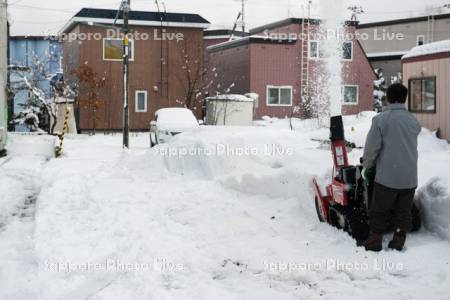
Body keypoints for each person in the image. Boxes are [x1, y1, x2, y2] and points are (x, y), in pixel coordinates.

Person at [362, 83, 421, 252]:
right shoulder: (413, 121)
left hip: (387, 176)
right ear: (405, 98)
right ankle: (398, 240)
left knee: (379, 209)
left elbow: (372, 148)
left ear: (387, 97)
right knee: (404, 211)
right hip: (409, 177)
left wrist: (368, 166)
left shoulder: (381, 120)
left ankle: (374, 241)